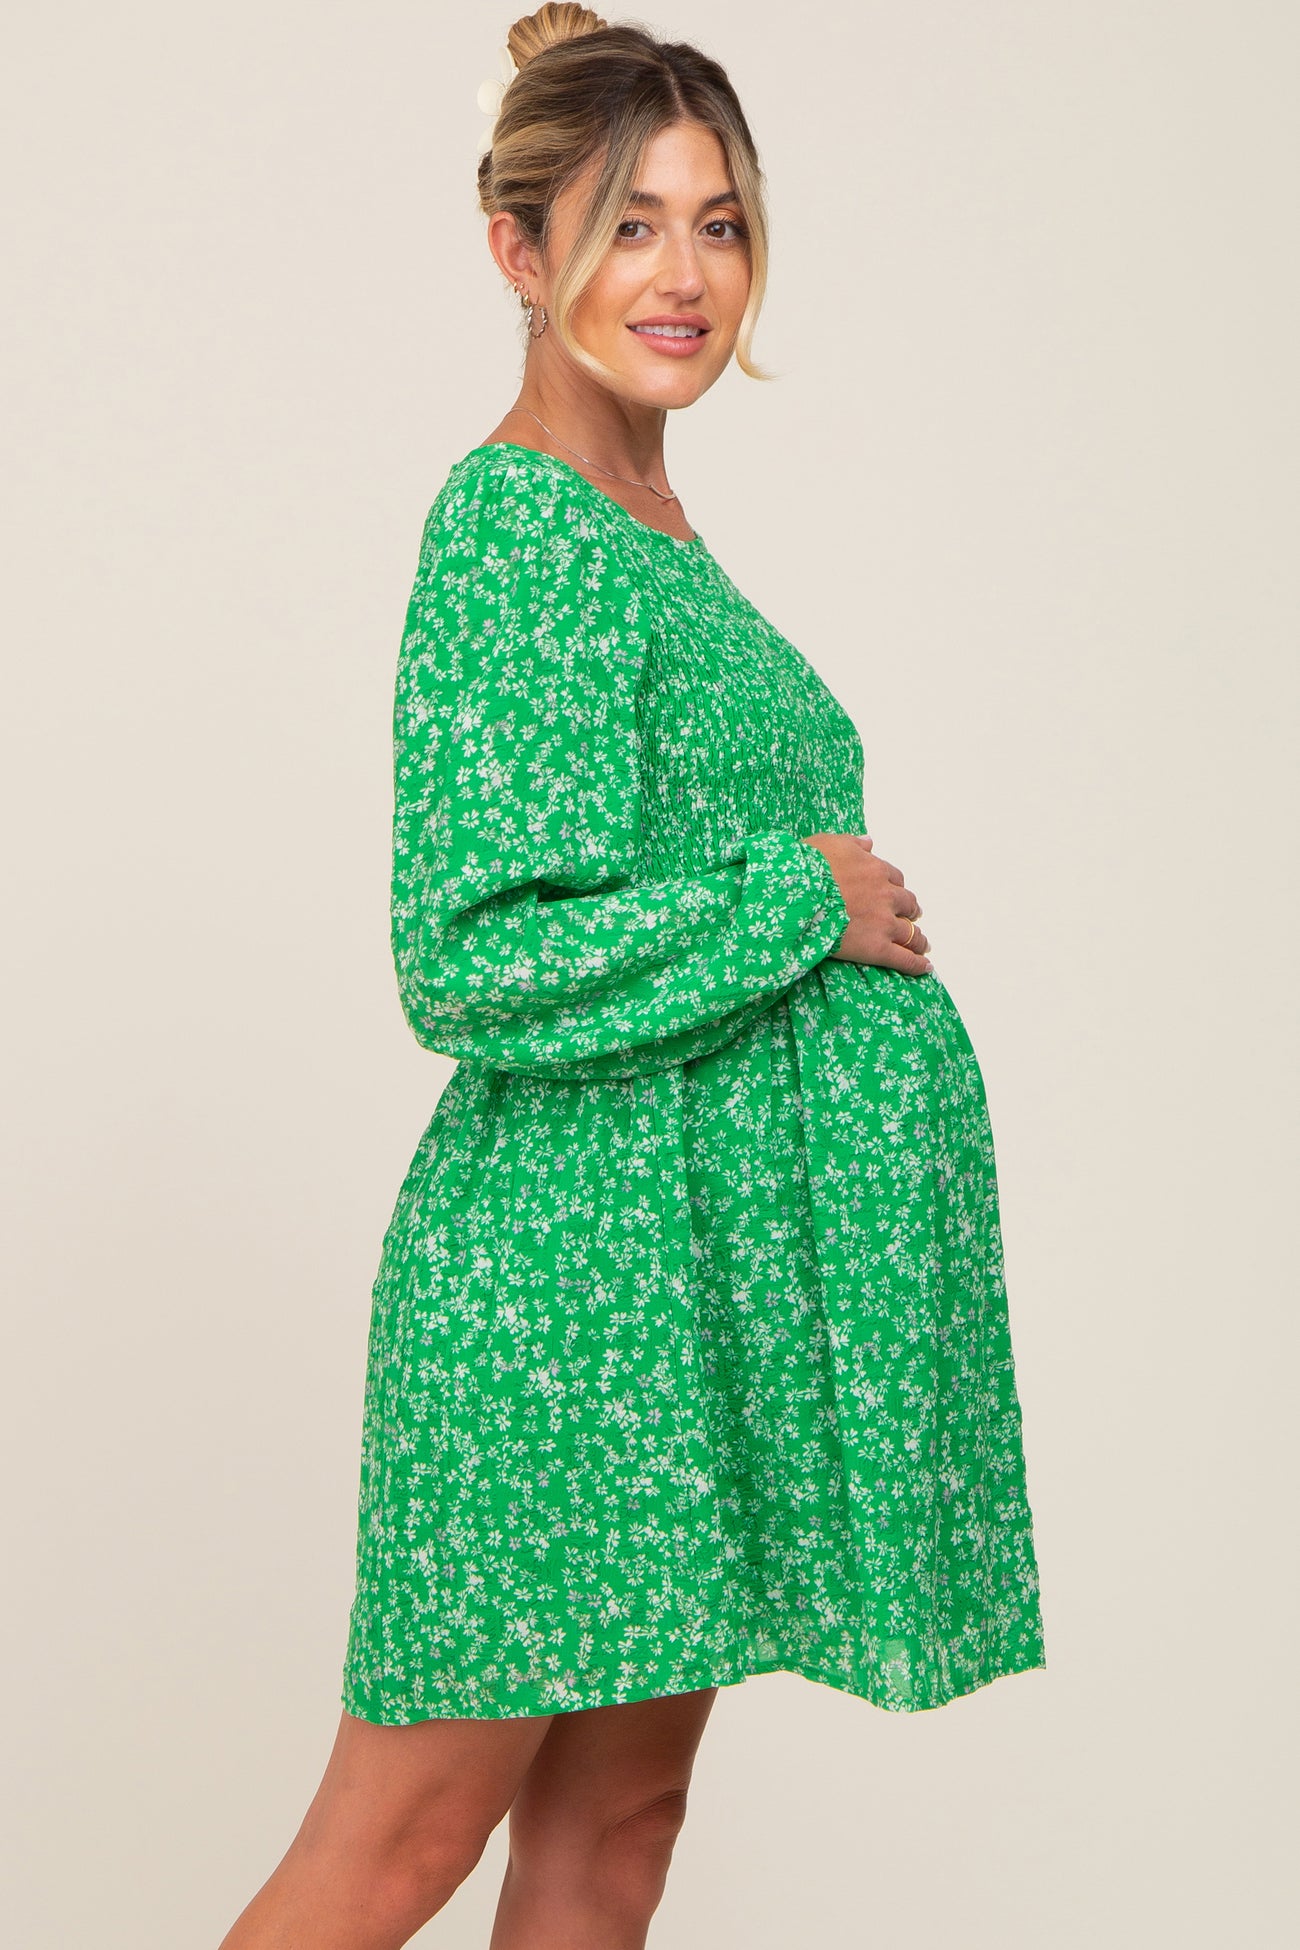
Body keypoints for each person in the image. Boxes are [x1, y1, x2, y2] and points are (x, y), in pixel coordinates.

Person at [219, 7, 1046, 1946]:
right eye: (626, 226)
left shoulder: (653, 528)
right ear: (518, 252)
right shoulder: (517, 521)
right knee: (402, 1840)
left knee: (619, 1830)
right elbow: (467, 957)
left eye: (718, 224)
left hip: (683, 1298)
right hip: (558, 1300)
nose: (681, 276)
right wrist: (796, 902)